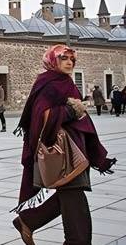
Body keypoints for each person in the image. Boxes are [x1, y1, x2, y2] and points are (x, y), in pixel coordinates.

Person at [12, 45, 117, 245]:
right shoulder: (49, 84)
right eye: (64, 58)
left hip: (76, 150)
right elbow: (42, 116)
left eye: (72, 59)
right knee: (75, 204)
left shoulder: (64, 82)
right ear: (53, 61)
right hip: (63, 153)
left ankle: (28, 221)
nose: (70, 62)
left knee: (70, 197)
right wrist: (72, 110)